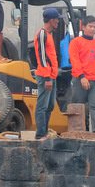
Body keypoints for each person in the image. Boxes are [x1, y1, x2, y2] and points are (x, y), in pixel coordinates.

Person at [69, 16, 95, 133]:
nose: (92, 29)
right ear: (83, 27)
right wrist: (81, 77)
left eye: (94, 27)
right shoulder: (76, 42)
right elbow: (75, 61)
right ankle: (79, 132)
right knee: (79, 107)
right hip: (81, 79)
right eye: (90, 26)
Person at [34, 8, 61, 139]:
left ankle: (44, 131)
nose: (58, 22)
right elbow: (43, 57)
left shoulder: (49, 34)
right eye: (56, 19)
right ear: (51, 20)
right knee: (42, 105)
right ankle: (40, 134)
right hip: (46, 76)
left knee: (50, 105)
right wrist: (47, 78)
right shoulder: (42, 34)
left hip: (52, 75)